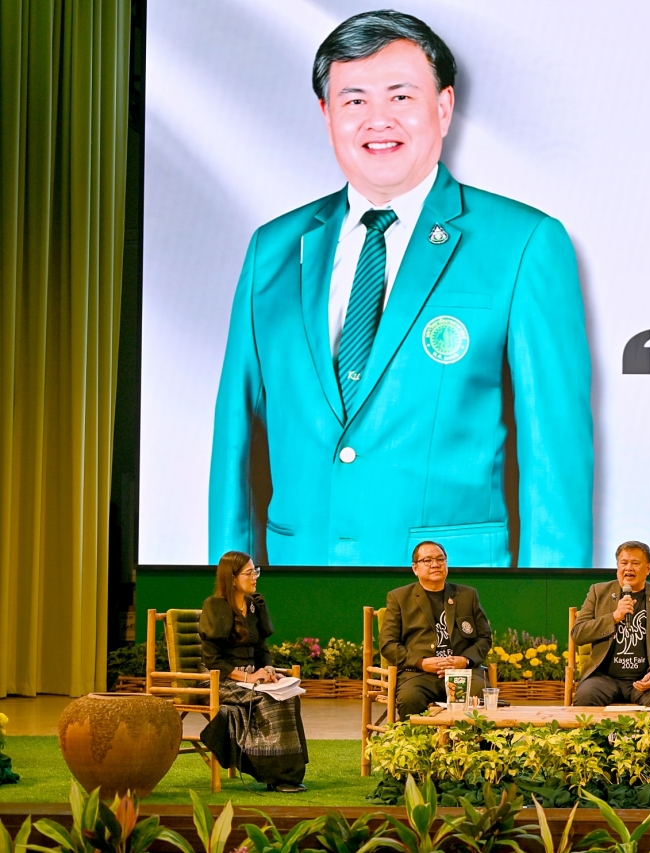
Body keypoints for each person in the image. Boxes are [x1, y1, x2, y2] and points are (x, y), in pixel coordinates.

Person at [208, 9, 593, 569]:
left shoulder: (523, 244)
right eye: (354, 100)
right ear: (326, 114)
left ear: (444, 107)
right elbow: (236, 442)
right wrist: (229, 595)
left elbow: (554, 461)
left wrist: (550, 610)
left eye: (401, 97)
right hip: (299, 586)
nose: (378, 120)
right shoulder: (273, 248)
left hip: (454, 599)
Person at [198, 550, 308, 792]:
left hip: (250, 679)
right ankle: (272, 774)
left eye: (255, 571)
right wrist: (249, 677)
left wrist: (268, 669)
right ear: (232, 578)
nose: (254, 577)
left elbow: (261, 649)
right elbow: (213, 661)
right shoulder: (215, 607)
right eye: (249, 573)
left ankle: (289, 774)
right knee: (267, 699)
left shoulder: (254, 606)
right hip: (218, 680)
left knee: (288, 696)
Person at [380, 540, 493, 715]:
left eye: (440, 559)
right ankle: (417, 735)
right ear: (415, 568)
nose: (435, 564)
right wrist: (422, 662)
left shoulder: (467, 595)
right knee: (411, 698)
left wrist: (465, 660)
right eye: (427, 560)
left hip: (462, 673)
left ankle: (472, 734)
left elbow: (484, 637)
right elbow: (388, 644)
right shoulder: (399, 598)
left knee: (480, 694)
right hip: (419, 674)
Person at [571, 541, 650, 707]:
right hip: (604, 678)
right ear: (617, 566)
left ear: (648, 568)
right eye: (624, 563)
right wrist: (614, 617)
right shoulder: (598, 592)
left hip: (646, 679)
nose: (629, 568)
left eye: (635, 563)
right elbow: (578, 634)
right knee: (586, 695)